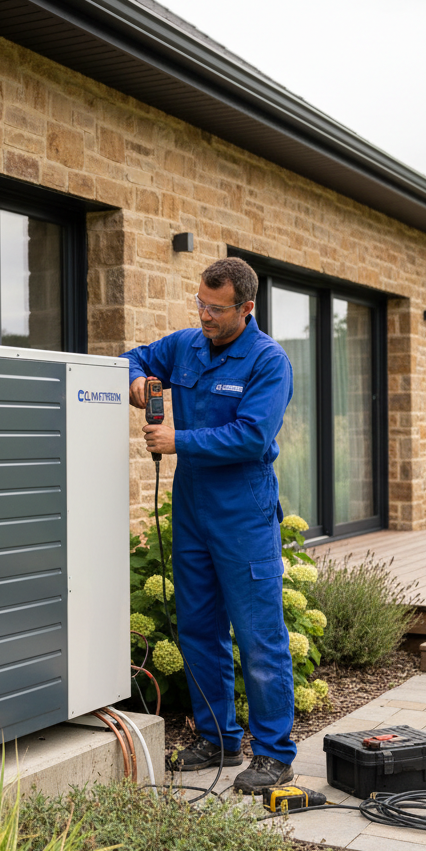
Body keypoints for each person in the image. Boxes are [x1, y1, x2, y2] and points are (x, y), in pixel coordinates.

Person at [124, 256, 296, 793]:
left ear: (247, 308)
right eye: (200, 303)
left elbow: (251, 436)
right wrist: (136, 381)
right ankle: (218, 737)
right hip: (193, 506)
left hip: (242, 510)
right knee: (199, 627)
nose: (205, 316)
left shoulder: (268, 361)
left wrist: (179, 440)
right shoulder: (186, 345)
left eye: (216, 309)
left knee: (258, 635)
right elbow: (132, 356)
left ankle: (273, 754)